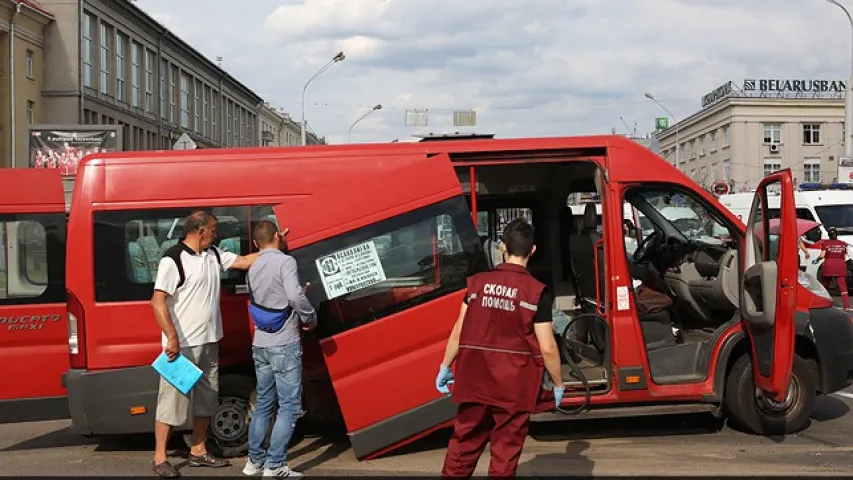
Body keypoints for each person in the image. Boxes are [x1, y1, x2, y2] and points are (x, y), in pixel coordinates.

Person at [435, 218, 565, 478]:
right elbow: (548, 346)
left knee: (463, 446)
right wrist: (558, 383)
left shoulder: (476, 284)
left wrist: (445, 366)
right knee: (505, 453)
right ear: (533, 250)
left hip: (475, 381)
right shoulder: (536, 292)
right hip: (514, 387)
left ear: (503, 247)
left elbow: (459, 330)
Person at [150, 210, 259, 478]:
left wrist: (272, 249)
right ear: (200, 231)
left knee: (207, 400)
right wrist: (172, 337)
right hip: (182, 347)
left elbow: (245, 261)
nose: (216, 234)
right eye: (213, 229)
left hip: (210, 342)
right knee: (171, 402)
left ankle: (198, 451)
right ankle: (160, 457)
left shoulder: (214, 255)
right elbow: (157, 300)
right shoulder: (173, 259)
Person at [242, 220, 317, 478]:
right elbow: (295, 296)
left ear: (255, 243)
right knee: (289, 406)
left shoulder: (252, 266)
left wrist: (275, 241)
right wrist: (310, 318)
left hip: (260, 344)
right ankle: (274, 465)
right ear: (277, 236)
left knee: (263, 402)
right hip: (284, 344)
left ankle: (254, 461)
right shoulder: (286, 262)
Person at [813, 227, 850, 310]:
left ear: (829, 235)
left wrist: (816, 260)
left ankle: (822, 303)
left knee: (825, 285)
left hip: (829, 265)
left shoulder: (825, 243)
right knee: (843, 287)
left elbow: (822, 255)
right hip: (840, 265)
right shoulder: (843, 244)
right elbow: (844, 255)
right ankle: (846, 306)